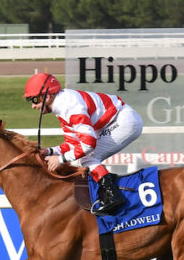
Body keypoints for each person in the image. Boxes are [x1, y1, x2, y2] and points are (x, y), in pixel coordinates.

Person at [24, 73, 144, 216]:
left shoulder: (69, 106)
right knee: (81, 157)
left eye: (35, 100)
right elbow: (72, 143)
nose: (33, 106)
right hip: (115, 121)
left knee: (86, 158)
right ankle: (107, 188)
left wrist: (60, 159)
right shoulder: (62, 105)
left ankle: (112, 195)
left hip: (122, 122)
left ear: (47, 96)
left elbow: (88, 145)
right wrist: (49, 151)